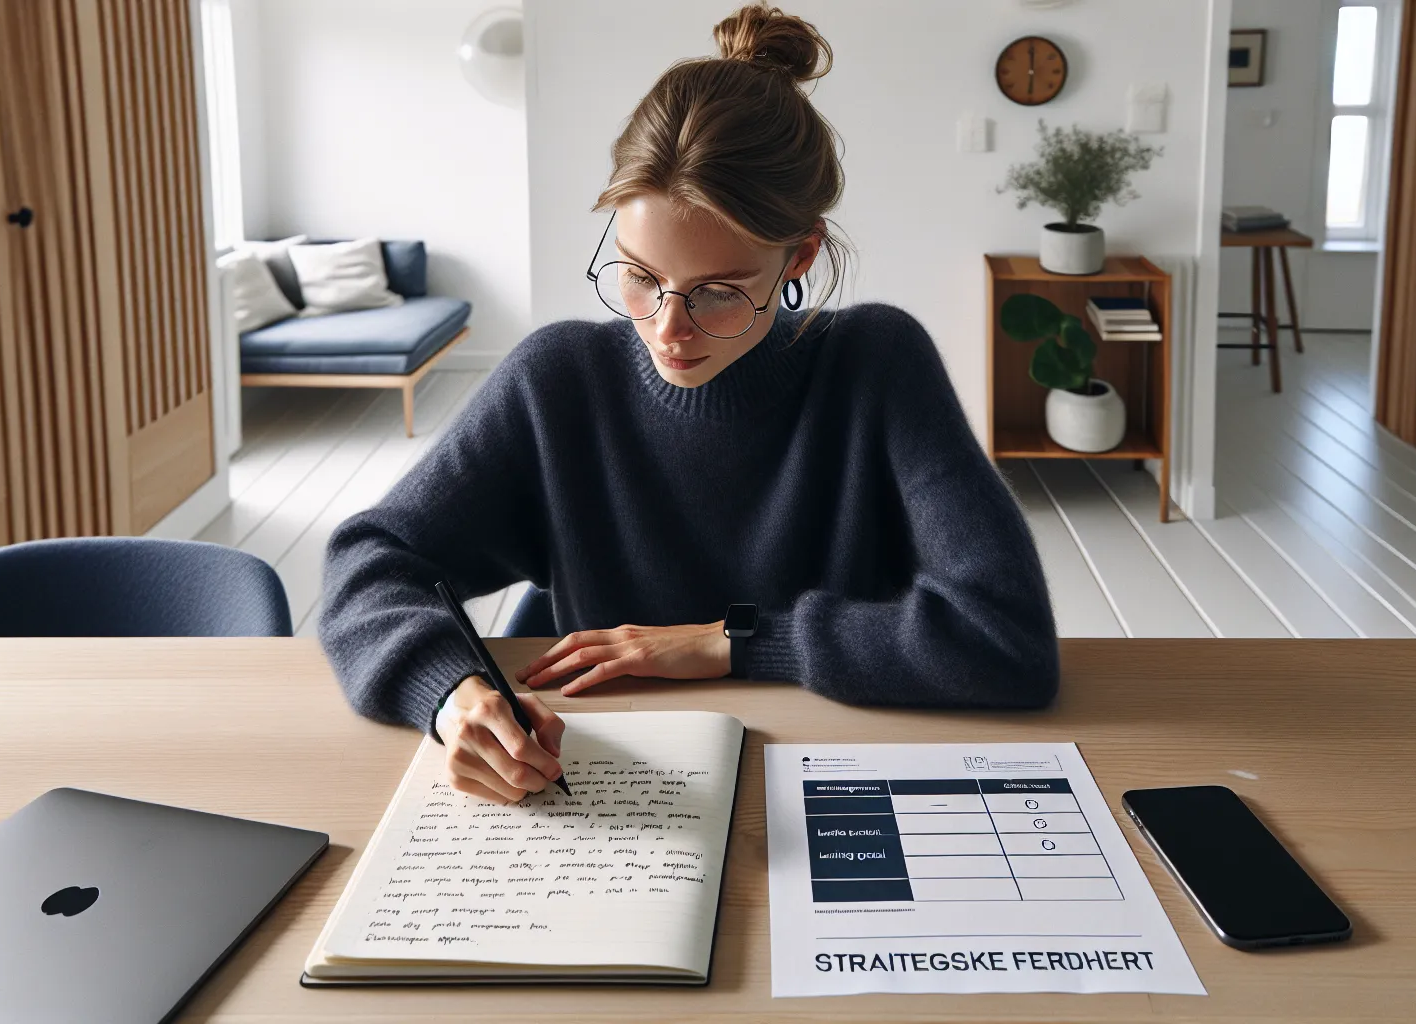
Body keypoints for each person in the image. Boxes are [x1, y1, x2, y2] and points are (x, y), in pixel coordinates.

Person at [318, 3, 1058, 806]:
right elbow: (367, 566)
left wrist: (734, 643)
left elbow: (1007, 637)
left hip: (840, 776)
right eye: (640, 276)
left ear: (800, 254)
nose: (667, 329)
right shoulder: (558, 381)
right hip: (606, 795)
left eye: (717, 291)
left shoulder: (877, 363)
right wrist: (451, 698)